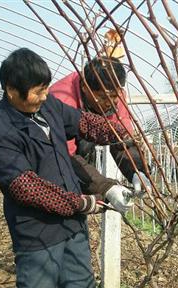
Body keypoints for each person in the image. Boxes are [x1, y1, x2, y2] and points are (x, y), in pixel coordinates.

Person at [0, 48, 133, 288]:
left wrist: (121, 133)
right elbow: (27, 189)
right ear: (11, 90)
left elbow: (85, 123)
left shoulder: (49, 106)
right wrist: (82, 203)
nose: (43, 96)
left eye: (46, 88)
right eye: (37, 92)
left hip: (72, 227)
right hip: (37, 234)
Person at [49, 56, 151, 195]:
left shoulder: (115, 97)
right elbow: (65, 158)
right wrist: (105, 187)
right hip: (52, 169)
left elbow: (121, 141)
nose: (111, 102)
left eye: (115, 95)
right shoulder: (62, 101)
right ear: (85, 87)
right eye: (103, 97)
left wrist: (137, 171)